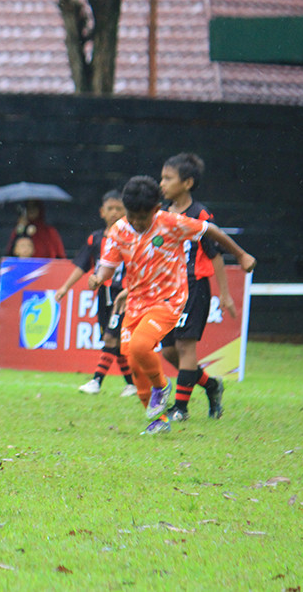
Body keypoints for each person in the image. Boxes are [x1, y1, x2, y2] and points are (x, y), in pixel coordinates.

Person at [87, 176, 255, 435]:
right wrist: (98, 278)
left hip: (169, 299)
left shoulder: (171, 223)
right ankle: (158, 420)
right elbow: (108, 267)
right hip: (136, 301)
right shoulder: (119, 230)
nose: (136, 223)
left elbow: (209, 230)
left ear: (156, 210)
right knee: (132, 359)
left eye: (142, 218)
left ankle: (161, 387)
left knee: (142, 345)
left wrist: (241, 254)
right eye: (132, 216)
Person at [159, 153, 236, 420]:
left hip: (194, 288)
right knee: (168, 350)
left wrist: (225, 294)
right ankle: (211, 385)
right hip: (167, 290)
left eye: (168, 178)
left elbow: (214, 254)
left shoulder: (200, 214)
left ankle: (181, 408)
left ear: (188, 182)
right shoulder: (161, 213)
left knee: (185, 348)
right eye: (162, 178)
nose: (162, 183)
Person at [55, 190, 136, 397]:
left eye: (120, 209)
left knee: (110, 339)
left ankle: (96, 381)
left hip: (122, 297)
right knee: (113, 342)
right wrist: (65, 287)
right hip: (104, 296)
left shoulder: (133, 238)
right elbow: (82, 265)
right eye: (111, 208)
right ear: (102, 212)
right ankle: (132, 384)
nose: (115, 212)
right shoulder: (96, 239)